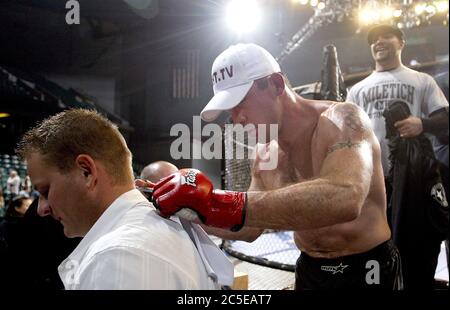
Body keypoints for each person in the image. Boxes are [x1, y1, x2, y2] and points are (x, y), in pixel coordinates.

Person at [149, 43, 402, 289]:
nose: (237, 119)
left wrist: (217, 201)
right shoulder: (263, 155)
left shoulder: (342, 120)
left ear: (276, 84)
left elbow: (347, 197)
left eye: (240, 103)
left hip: (368, 266)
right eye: (231, 111)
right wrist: (190, 211)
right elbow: (249, 226)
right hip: (309, 269)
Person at [16, 109, 218, 290]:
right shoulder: (161, 229)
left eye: (45, 190)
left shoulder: (117, 257)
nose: (42, 209)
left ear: (86, 172)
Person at [346, 25, 449, 289]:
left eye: (385, 37)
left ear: (401, 42)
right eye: (373, 39)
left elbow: (445, 117)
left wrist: (422, 123)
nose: (378, 42)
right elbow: (346, 133)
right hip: (373, 181)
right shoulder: (357, 89)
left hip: (412, 180)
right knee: (375, 247)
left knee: (416, 245)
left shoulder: (422, 80)